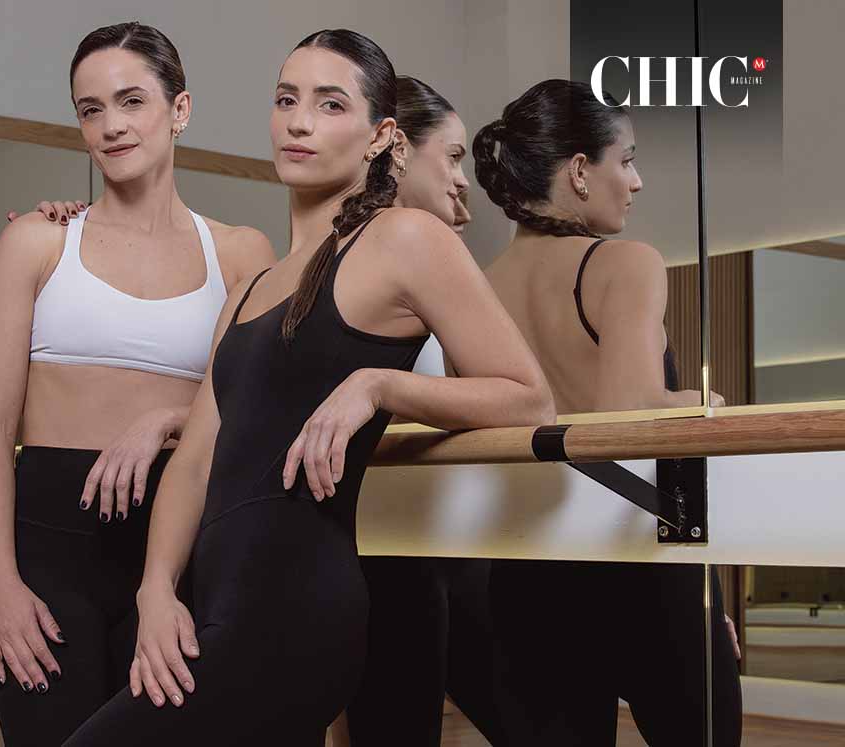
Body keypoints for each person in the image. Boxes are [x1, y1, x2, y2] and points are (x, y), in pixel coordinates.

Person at [61, 28, 553, 746]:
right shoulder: (251, 289)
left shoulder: (404, 239)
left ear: (380, 135)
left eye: (330, 104)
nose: (298, 122)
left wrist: (378, 385)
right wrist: (156, 590)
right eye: (287, 100)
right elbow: (196, 462)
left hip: (295, 613)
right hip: (211, 605)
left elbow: (527, 395)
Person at [0, 22, 276, 746]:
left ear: (180, 109)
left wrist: (167, 418)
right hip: (47, 557)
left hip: (182, 551)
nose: (110, 126)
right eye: (91, 109)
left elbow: (250, 412)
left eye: (131, 101)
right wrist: (0, 585)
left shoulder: (240, 253)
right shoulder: (37, 242)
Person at [475, 78, 742, 746]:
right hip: (642, 565)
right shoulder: (625, 264)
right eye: (626, 160)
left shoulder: (475, 288)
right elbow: (627, 415)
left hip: (526, 571)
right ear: (578, 171)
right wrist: (703, 402)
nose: (636, 181)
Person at [341, 74, 506, 747]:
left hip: (431, 545)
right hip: (387, 552)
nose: (464, 181)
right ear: (400, 149)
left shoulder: (418, 260)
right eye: (454, 156)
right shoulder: (365, 262)